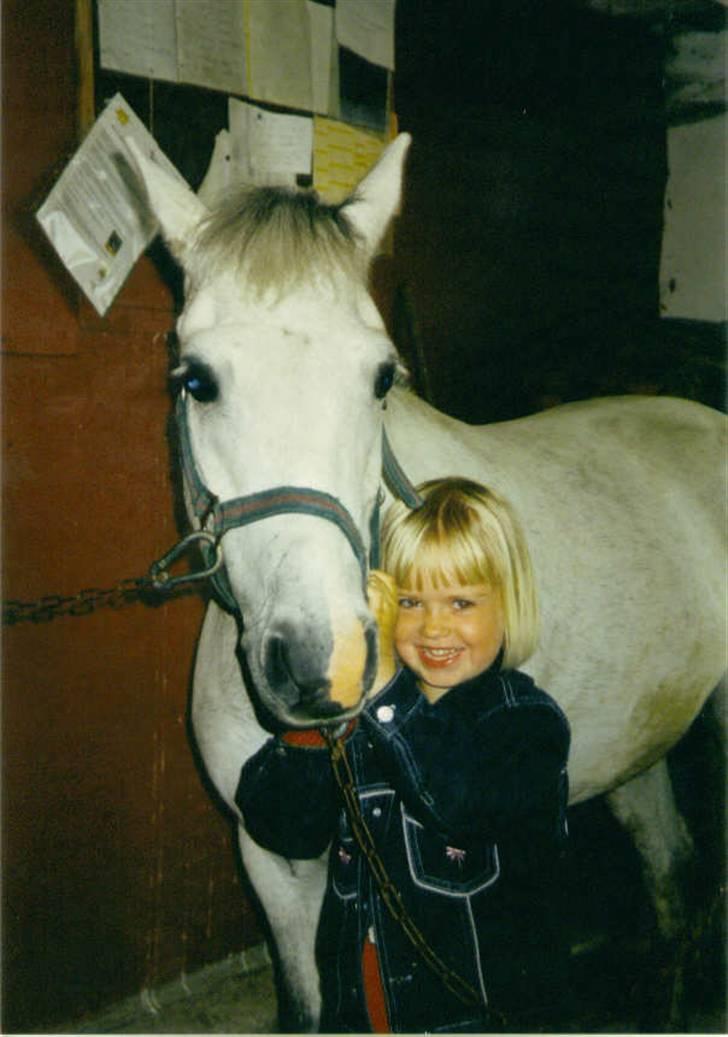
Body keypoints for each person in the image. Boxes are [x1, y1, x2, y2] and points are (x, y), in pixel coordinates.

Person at [236, 477, 571, 1033]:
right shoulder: (364, 722)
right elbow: (284, 831)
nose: (434, 627)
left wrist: (385, 686)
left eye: (461, 602)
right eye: (410, 602)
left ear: (510, 606)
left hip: (483, 1019)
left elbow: (454, 797)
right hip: (362, 1015)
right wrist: (312, 719)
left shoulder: (526, 724)